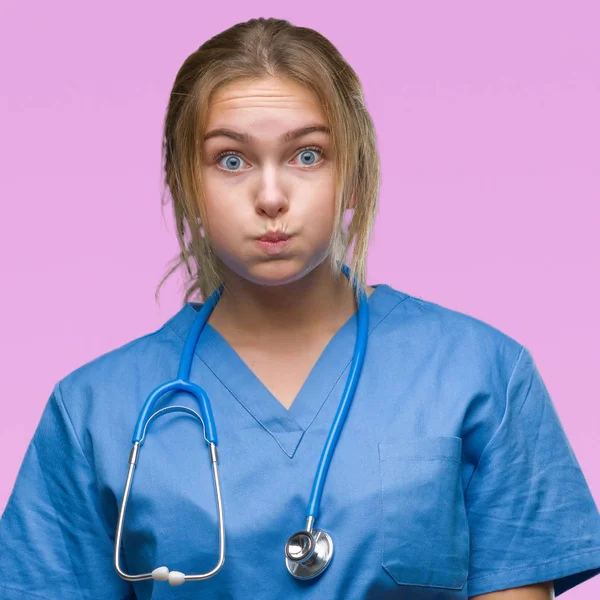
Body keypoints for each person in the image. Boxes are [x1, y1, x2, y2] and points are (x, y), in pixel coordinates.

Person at [1, 16, 599, 600]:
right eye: (231, 160)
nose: (270, 197)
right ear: (187, 183)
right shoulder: (91, 412)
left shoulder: (480, 373)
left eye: (307, 155)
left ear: (354, 175)